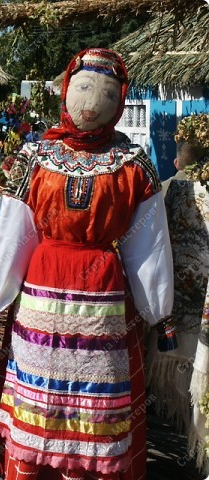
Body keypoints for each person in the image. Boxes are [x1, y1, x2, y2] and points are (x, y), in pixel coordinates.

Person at [0, 48, 176, 480]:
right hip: (43, 294)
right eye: (83, 88)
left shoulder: (134, 165)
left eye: (104, 93)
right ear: (67, 91)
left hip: (100, 294)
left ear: (119, 101)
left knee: (95, 392)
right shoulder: (37, 157)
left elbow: (149, 244)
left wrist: (158, 309)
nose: (90, 102)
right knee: (40, 391)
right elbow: (15, 230)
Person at [146, 130, 209, 473]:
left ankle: (184, 447)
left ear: (178, 160)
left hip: (174, 310)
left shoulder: (167, 187)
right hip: (200, 310)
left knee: (182, 387)